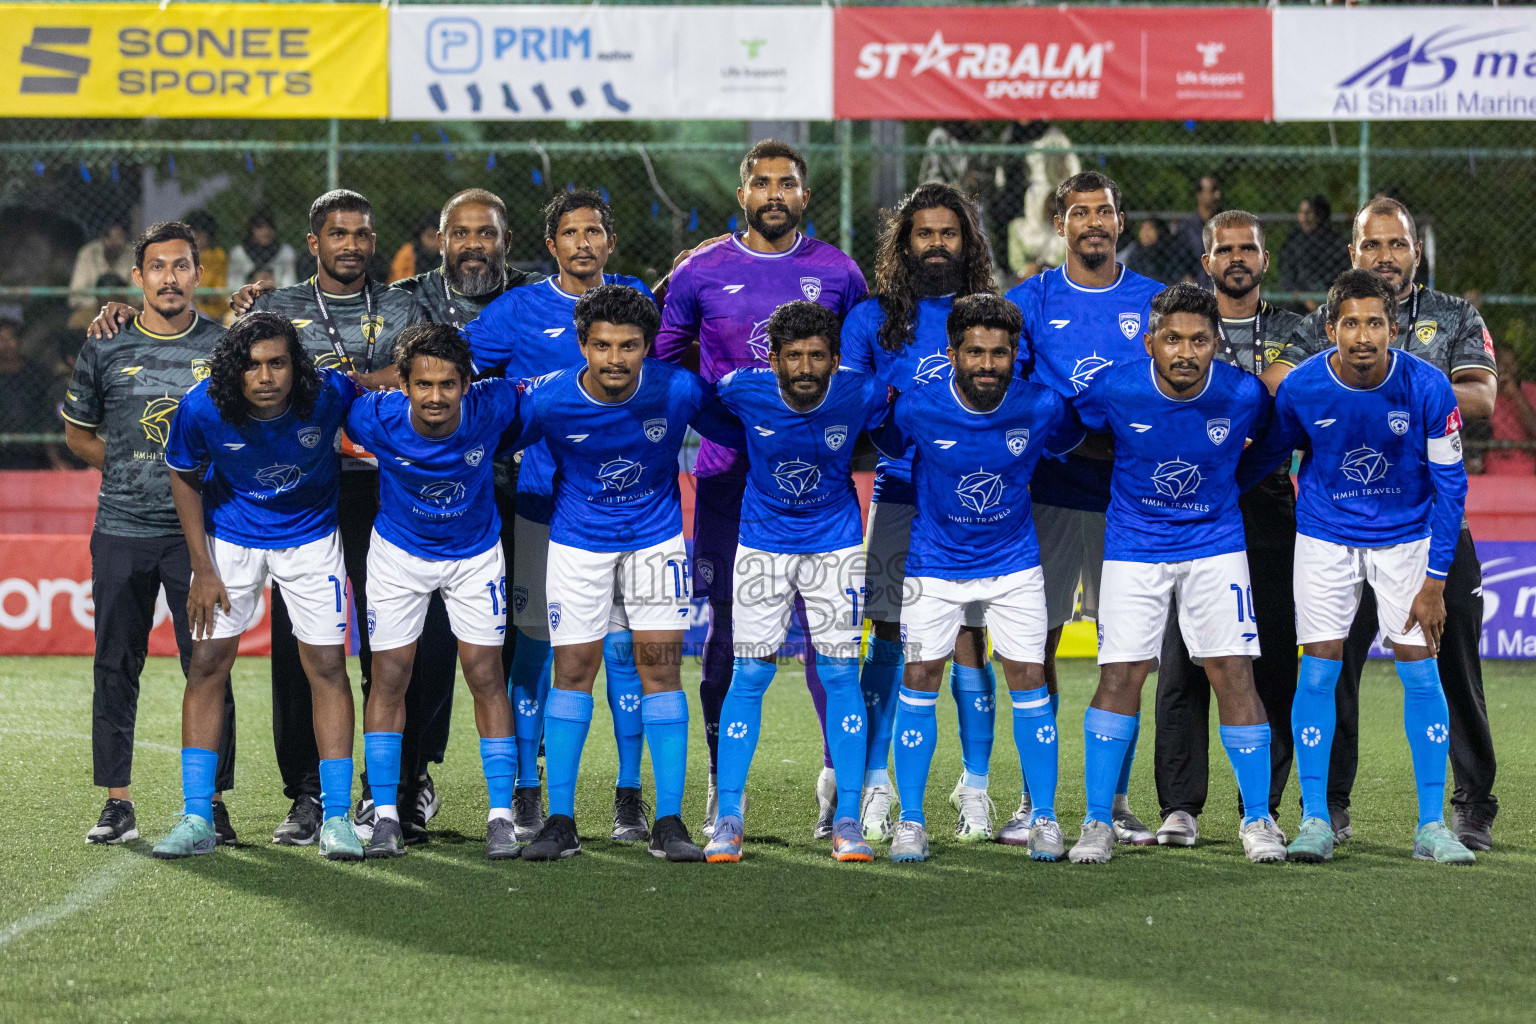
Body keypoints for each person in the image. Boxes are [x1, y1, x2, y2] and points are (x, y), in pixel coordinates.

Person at [1268, 198, 1500, 852]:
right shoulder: (1323, 322)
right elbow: (1287, 393)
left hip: (1420, 529)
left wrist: (1395, 394)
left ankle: (1462, 811)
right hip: (1329, 529)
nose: (1386, 257)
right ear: (1353, 253)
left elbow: (1480, 398)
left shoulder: (1451, 323)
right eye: (1374, 246)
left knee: (1441, 664)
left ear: (1415, 253)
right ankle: (1324, 811)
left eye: (1397, 245)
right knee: (1323, 671)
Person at [654, 139, 868, 839]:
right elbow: (665, 362)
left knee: (826, 644)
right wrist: (726, 410)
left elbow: (859, 365)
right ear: (742, 194)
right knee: (726, 636)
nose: (774, 193)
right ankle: (723, 784)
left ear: (804, 195)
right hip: (727, 478)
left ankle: (839, 786)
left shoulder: (838, 272)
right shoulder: (700, 270)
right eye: (761, 183)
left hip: (821, 487)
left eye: (787, 183)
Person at [515, 285, 743, 863]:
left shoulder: (679, 389)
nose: (614, 359)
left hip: (654, 543)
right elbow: (483, 435)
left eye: (629, 346)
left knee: (660, 671)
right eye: (602, 345)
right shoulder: (547, 401)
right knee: (572, 672)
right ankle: (561, 821)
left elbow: (745, 431)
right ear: (582, 344)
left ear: (648, 347)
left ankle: (668, 822)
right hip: (577, 546)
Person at [1067, 283, 1284, 865]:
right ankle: (1096, 820)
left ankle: (1258, 819)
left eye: (1198, 340)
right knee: (1121, 676)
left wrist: (1226, 488)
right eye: (1172, 339)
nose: (1185, 352)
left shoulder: (1242, 394)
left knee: (1233, 675)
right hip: (1135, 549)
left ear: (1216, 344)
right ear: (1150, 342)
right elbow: (1071, 433)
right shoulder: (1115, 387)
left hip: (1215, 546)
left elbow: (1270, 446)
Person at [466, 188, 653, 844]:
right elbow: (453, 367)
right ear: (550, 246)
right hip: (543, 506)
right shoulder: (516, 310)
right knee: (534, 652)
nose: (582, 243)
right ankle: (525, 788)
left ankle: (629, 796)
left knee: (624, 652)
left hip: (626, 509)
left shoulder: (638, 303)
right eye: (569, 233)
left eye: (594, 231)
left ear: (609, 240)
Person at [871, 293, 1082, 864]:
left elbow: (1071, 442)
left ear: (1016, 355)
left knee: (1030, 685)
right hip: (932, 567)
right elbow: (886, 445)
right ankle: (911, 821)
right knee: (918, 681)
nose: (987, 364)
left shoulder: (1042, 407)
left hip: (1014, 568)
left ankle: (1042, 817)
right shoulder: (917, 407)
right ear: (952, 352)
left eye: (999, 353)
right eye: (975, 352)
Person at [156, 313, 363, 860]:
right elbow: (183, 473)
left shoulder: (329, 394)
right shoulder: (203, 406)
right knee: (207, 665)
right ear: (234, 369)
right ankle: (198, 814)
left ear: (295, 365)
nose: (266, 376)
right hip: (233, 541)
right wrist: (202, 566)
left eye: (277, 363)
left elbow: (380, 390)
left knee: (326, 668)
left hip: (312, 540)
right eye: (252, 365)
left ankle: (337, 817)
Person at [61, 221, 238, 846]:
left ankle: (211, 801)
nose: (170, 277)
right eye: (157, 266)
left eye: (182, 266)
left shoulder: (224, 347)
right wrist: (131, 462)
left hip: (201, 537)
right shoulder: (105, 345)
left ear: (197, 274)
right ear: (138, 277)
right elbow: (78, 433)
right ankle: (117, 802)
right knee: (116, 664)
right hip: (121, 530)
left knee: (209, 665)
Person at [1004, 171, 1164, 847]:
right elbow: (1001, 386)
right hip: (1047, 494)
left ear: (1120, 223)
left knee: (1124, 652)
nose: (1092, 222)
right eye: (1079, 213)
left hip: (1128, 504)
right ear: (1060, 224)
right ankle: (1031, 799)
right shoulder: (1029, 299)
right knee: (1029, 646)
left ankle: (1117, 801)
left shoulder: (1155, 302)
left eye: (1103, 211)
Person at [840, 182, 1001, 844]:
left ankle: (976, 788)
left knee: (968, 640)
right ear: (903, 243)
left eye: (949, 232)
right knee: (885, 636)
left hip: (972, 506)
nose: (937, 243)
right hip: (900, 495)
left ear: (968, 242)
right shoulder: (870, 320)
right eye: (924, 233)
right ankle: (876, 784)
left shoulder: (994, 313)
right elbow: (852, 407)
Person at [703, 301, 891, 864]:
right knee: (749, 675)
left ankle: (849, 818)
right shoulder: (741, 389)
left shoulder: (862, 391)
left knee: (839, 675)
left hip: (835, 546)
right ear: (774, 359)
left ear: (835, 359)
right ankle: (729, 817)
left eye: (816, 356)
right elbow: (700, 406)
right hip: (761, 548)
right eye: (793, 357)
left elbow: (896, 419)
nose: (805, 367)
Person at [344, 323, 527, 860]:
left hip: (474, 557)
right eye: (423, 384)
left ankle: (500, 817)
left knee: (486, 674)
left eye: (448, 384)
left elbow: (549, 401)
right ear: (403, 383)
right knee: (389, 675)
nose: (436, 397)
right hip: (399, 556)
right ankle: (383, 817)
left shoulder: (494, 406)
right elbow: (331, 398)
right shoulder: (371, 416)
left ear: (467, 384)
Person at [1151, 212, 1304, 848]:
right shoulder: (1189, 326)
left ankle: (1258, 803)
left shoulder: (1298, 328)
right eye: (1224, 249)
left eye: (1248, 249)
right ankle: (1181, 805)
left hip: (1266, 510)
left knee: (1269, 665)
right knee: (1182, 662)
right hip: (1187, 511)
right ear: (1207, 262)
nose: (1236, 258)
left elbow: (1274, 402)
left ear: (1265, 260)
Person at [0, 318, 70, 469]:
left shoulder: (37, 373)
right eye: (1, 340)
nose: (7, 345)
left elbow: (48, 416)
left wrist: (54, 458)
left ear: (19, 341)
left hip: (35, 452)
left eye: (10, 338)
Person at [1279, 195, 1351, 310]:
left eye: (1308, 213)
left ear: (1320, 215)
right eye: (1301, 212)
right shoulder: (1294, 240)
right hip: (1299, 301)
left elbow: (1343, 272)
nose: (1303, 218)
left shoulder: (1335, 241)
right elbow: (1287, 275)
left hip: (1330, 298)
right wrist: (1305, 298)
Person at [68, 217, 134, 325]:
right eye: (115, 239)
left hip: (124, 309)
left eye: (122, 238)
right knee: (76, 322)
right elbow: (76, 294)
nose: (119, 243)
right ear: (103, 239)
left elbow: (139, 294)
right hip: (93, 309)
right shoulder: (88, 253)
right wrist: (102, 305)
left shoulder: (133, 254)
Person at [1486, 346, 1536, 475]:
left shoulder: (1530, 391)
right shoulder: (1484, 393)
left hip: (1526, 461)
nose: (1505, 370)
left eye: (1509, 365)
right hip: (1494, 461)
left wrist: (1516, 394)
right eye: (1500, 364)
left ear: (1517, 366)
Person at [1174, 173, 1223, 289]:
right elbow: (1177, 261)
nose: (1218, 195)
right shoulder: (1186, 228)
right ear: (1199, 195)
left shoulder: (1225, 225)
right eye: (1213, 190)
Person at [226, 211, 297, 290]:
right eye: (260, 227)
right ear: (251, 230)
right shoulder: (239, 253)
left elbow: (290, 284)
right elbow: (233, 287)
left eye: (269, 227)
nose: (266, 232)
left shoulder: (285, 252)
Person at [1118, 218, 1200, 287]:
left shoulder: (1170, 251)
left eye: (1150, 229)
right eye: (1143, 228)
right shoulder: (1136, 252)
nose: (1145, 233)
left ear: (1159, 231)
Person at [185, 211, 228, 322]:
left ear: (209, 235)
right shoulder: (182, 255)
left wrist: (199, 296)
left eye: (200, 233)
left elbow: (217, 294)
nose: (197, 237)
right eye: (193, 233)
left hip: (212, 312)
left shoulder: (217, 255)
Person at [390, 212, 443, 283]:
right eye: (430, 236)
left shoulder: (450, 256)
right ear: (421, 235)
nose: (434, 243)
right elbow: (398, 279)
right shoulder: (408, 252)